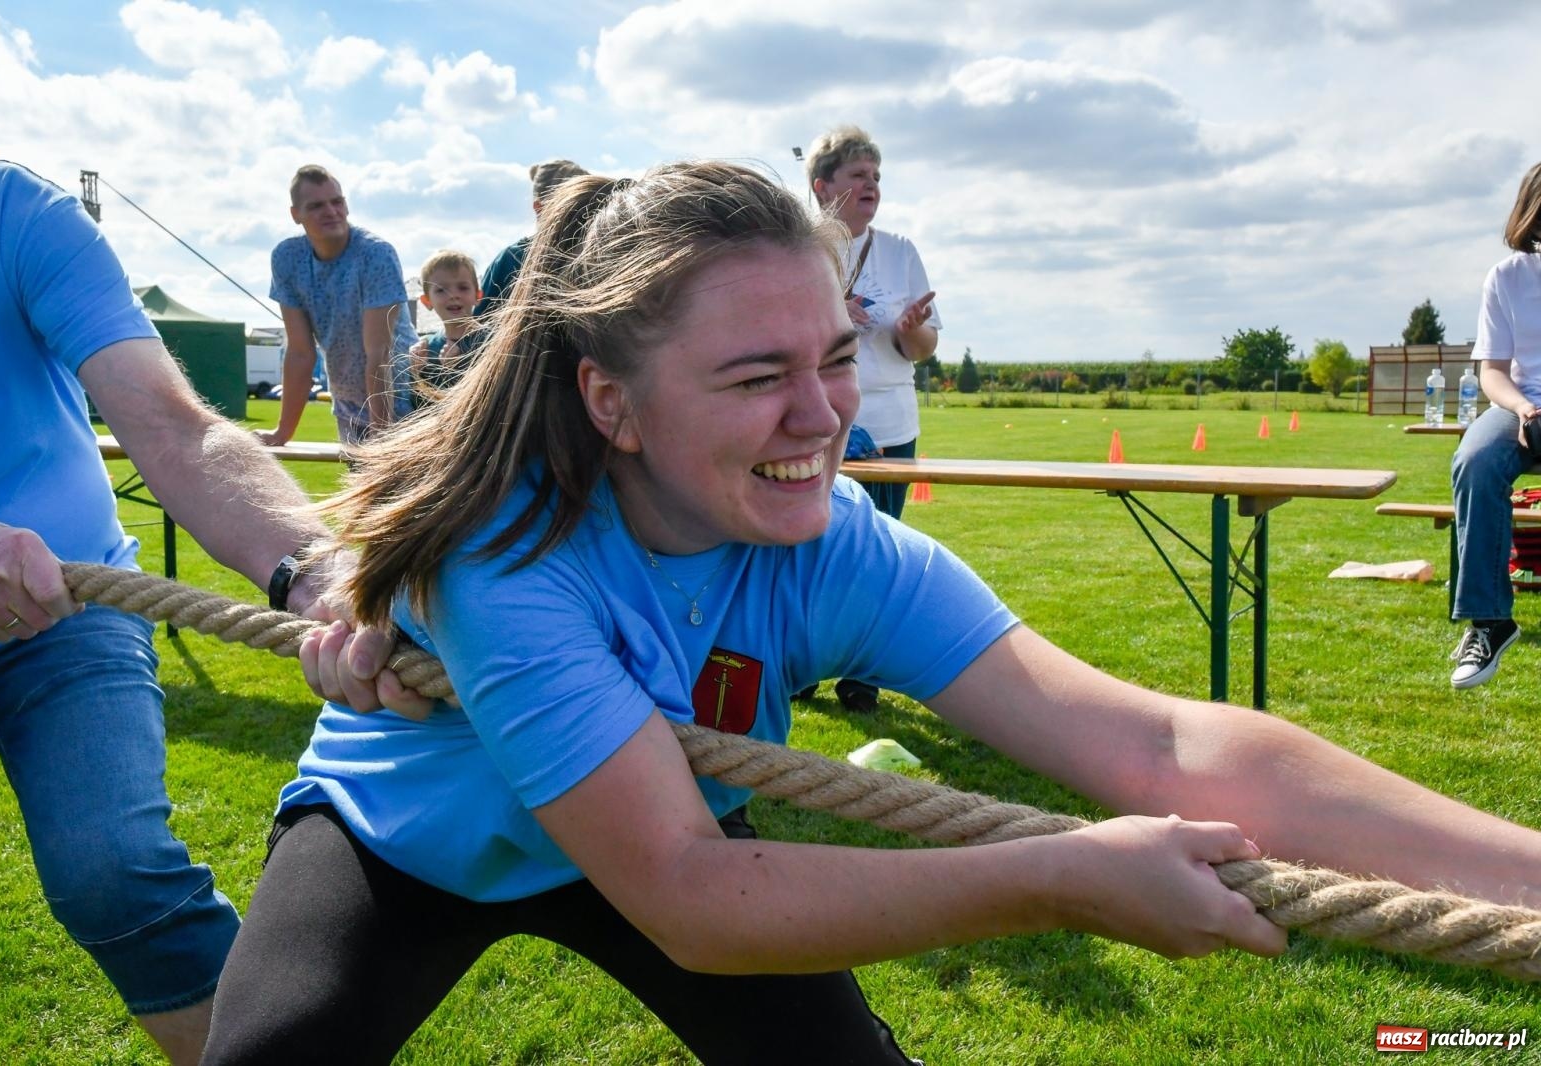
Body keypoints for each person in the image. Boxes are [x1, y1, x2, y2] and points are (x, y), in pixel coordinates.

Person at [203, 163, 1541, 1065]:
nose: (824, 415)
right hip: (409, 840)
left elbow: (1165, 750)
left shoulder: (832, 545)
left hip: (665, 818)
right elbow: (689, 895)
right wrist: (1057, 876)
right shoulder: (512, 552)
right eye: (756, 375)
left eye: (837, 356)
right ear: (611, 402)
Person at [0, 137, 422, 1064]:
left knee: (112, 872)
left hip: (60, 612)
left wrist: (314, 569)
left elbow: (173, 426)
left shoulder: (11, 214)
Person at [803, 125, 939, 712]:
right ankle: (799, 665)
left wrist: (912, 333)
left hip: (891, 422)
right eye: (859, 176)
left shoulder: (902, 251)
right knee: (810, 549)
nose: (872, 187)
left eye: (877, 177)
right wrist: (834, 308)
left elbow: (927, 346)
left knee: (883, 554)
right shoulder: (799, 250)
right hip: (816, 418)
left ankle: (864, 677)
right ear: (821, 185)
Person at [1448, 160, 1541, 688]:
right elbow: (1493, 371)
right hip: (1521, 403)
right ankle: (1490, 621)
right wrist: (1525, 410)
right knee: (1476, 460)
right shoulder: (1508, 278)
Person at [260, 165, 421, 447]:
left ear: (346, 205)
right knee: (359, 490)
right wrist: (282, 433)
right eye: (316, 206)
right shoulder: (287, 258)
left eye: (337, 201)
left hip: (404, 403)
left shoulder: (375, 254)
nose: (331, 211)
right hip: (347, 406)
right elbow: (299, 352)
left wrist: (381, 437)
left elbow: (379, 355)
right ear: (295, 214)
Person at [472, 158, 587, 320]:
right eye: (570, 209)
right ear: (539, 208)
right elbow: (477, 327)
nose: (581, 218)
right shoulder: (512, 259)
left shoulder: (594, 257)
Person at [404, 249, 484, 406]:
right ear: (427, 301)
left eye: (462, 287)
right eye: (441, 290)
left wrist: (457, 370)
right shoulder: (427, 348)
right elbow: (421, 410)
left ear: (478, 296)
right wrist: (417, 373)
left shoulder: (491, 342)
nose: (453, 295)